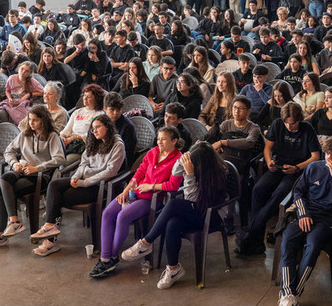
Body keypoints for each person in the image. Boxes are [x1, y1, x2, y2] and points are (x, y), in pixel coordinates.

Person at [122, 141, 234, 288]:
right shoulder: (197, 167)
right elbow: (176, 176)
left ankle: (146, 242)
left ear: (203, 163)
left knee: (174, 204)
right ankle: (173, 269)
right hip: (197, 211)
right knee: (172, 223)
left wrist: (189, 174)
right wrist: (182, 162)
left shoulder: (219, 173)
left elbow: (191, 200)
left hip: (211, 215)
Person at [276, 134, 332, 306]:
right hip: (306, 213)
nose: (329, 158)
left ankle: (292, 295)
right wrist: (302, 213)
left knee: (313, 244)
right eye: (327, 153)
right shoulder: (314, 167)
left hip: (329, 219)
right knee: (288, 240)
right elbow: (298, 191)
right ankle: (287, 295)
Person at [90, 125, 183, 278]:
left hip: (152, 199)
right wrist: (125, 191)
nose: (159, 142)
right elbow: (139, 172)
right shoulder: (153, 152)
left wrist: (151, 186)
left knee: (122, 216)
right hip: (136, 193)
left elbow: (173, 185)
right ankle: (105, 258)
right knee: (107, 213)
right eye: (158, 139)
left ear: (174, 141)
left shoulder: (178, 159)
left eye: (164, 139)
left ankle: (112, 258)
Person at [31, 114, 126, 256]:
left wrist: (84, 182)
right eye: (93, 129)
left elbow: (110, 172)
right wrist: (75, 177)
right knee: (54, 185)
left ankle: (51, 242)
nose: (94, 131)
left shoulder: (117, 145)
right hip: (84, 180)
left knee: (60, 197)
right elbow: (83, 163)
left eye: (98, 127)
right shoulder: (94, 141)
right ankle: (50, 227)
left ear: (107, 126)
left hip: (100, 186)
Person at [236, 102, 320, 257]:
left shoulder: (307, 129)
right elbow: (268, 148)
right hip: (279, 166)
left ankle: (251, 236)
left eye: (293, 123)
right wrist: (269, 162)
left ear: (299, 120)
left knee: (279, 194)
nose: (289, 127)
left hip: (297, 170)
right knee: (258, 190)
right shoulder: (277, 124)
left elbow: (315, 157)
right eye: (286, 124)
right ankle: (256, 241)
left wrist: (297, 167)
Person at [0, 105, 67, 249]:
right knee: (4, 179)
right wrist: (14, 163)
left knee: (1, 191)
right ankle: (14, 222)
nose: (31, 123)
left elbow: (60, 159)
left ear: (43, 121)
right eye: (30, 119)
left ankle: (0, 235)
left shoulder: (52, 136)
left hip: (40, 176)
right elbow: (9, 151)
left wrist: (37, 168)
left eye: (35, 120)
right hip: (22, 170)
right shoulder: (25, 134)